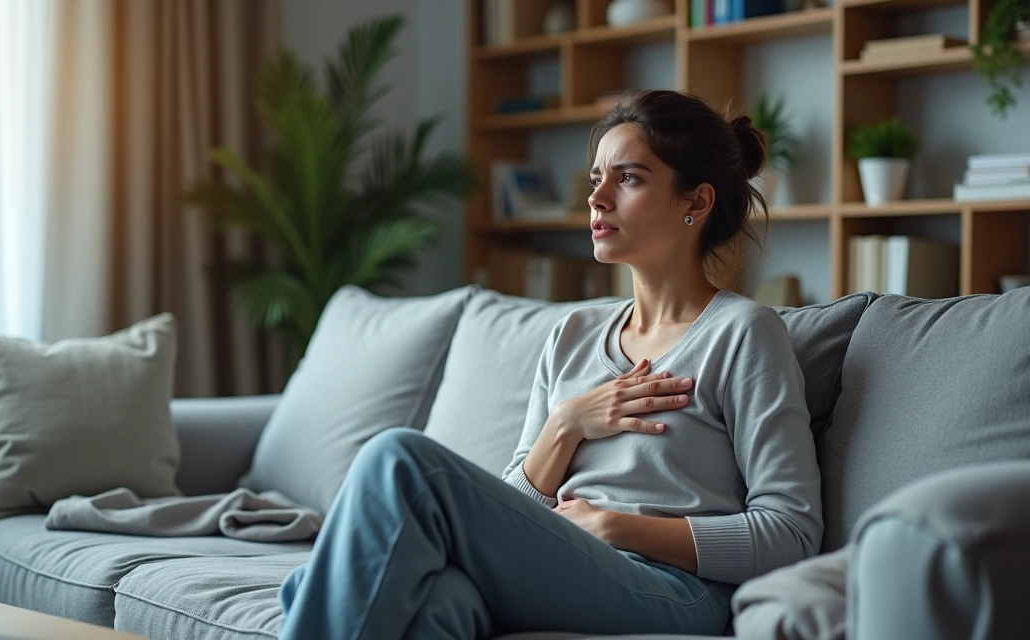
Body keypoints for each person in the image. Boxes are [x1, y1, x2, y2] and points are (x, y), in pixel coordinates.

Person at [276, 89, 823, 640]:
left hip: (674, 590)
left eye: (628, 178)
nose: (598, 198)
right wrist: (564, 426)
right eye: (595, 179)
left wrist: (616, 527)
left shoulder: (744, 333)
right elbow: (513, 509)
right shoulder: (573, 334)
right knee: (438, 604)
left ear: (696, 203)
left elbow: (792, 533)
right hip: (564, 564)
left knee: (399, 460)